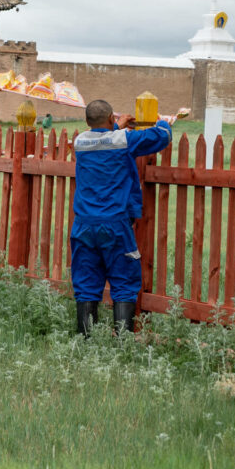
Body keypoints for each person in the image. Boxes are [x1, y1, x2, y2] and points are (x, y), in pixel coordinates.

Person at [72, 99, 171, 337]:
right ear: (110, 119)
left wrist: (116, 126)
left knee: (86, 281)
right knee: (124, 280)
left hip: (83, 224)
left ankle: (86, 340)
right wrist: (161, 120)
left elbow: (103, 139)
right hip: (115, 224)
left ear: (87, 122)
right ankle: (123, 343)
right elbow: (161, 137)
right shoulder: (123, 140)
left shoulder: (80, 142)